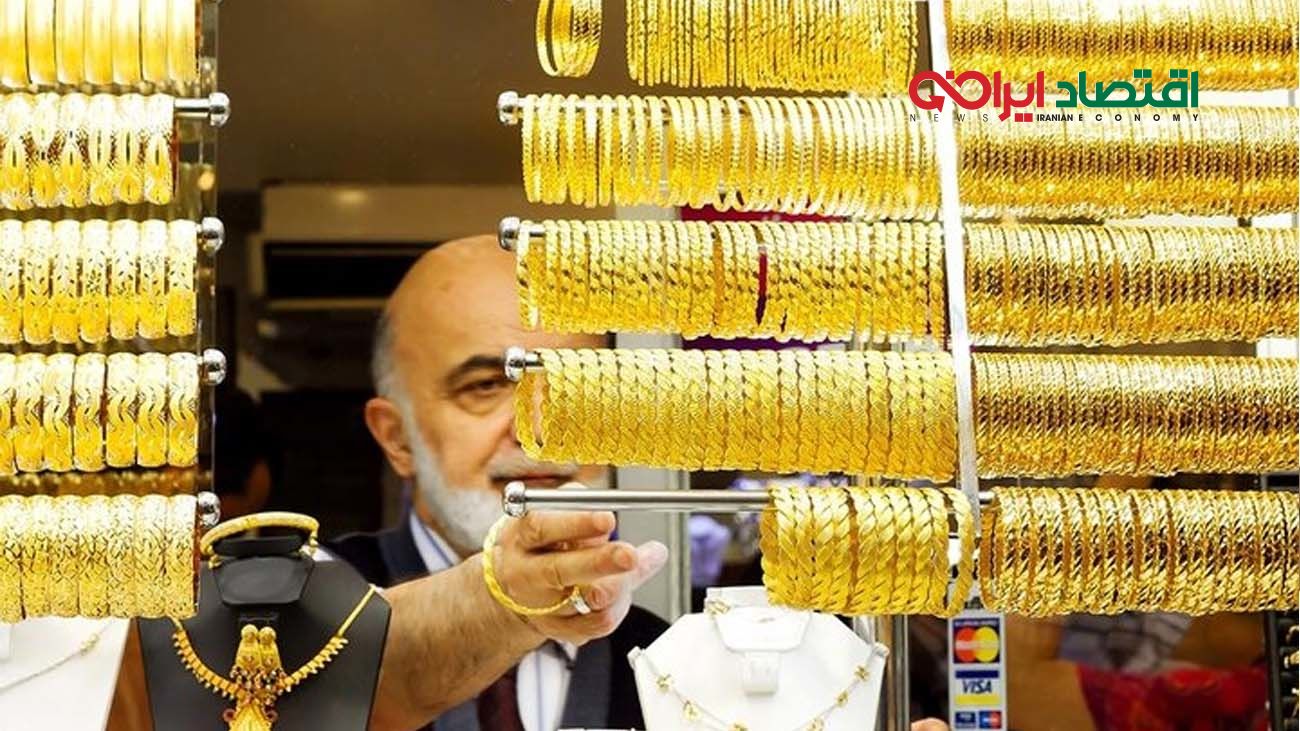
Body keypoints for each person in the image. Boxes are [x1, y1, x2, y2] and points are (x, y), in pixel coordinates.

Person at [331, 235, 671, 731]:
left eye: (574, 386)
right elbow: (342, 668)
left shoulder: (668, 663)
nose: (539, 431)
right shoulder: (305, 605)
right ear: (397, 438)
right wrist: (508, 600)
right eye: (486, 386)